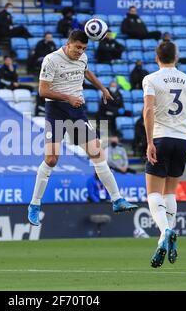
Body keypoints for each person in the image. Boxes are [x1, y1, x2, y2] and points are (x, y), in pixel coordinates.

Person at [27, 31, 139, 226]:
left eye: (84, 49)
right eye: (77, 47)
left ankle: (116, 199)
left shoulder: (83, 57)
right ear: (68, 44)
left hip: (77, 111)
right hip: (56, 111)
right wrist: (68, 97)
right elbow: (43, 90)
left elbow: (86, 71)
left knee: (97, 153)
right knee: (51, 159)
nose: (80, 52)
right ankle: (35, 204)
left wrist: (102, 88)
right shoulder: (51, 60)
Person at [142, 41, 186, 268]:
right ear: (177, 57)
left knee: (153, 192)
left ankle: (165, 232)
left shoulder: (151, 79)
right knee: (170, 192)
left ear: (157, 58)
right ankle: (165, 237)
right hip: (183, 140)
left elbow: (148, 110)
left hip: (161, 138)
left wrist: (149, 141)